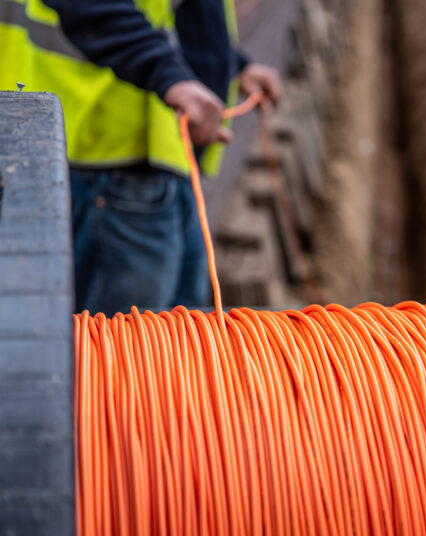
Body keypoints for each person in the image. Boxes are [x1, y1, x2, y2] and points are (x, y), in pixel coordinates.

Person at [0, 0, 282, 315]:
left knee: (181, 341)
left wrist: (232, 64)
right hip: (106, 162)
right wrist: (169, 74)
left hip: (162, 159)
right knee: (120, 350)